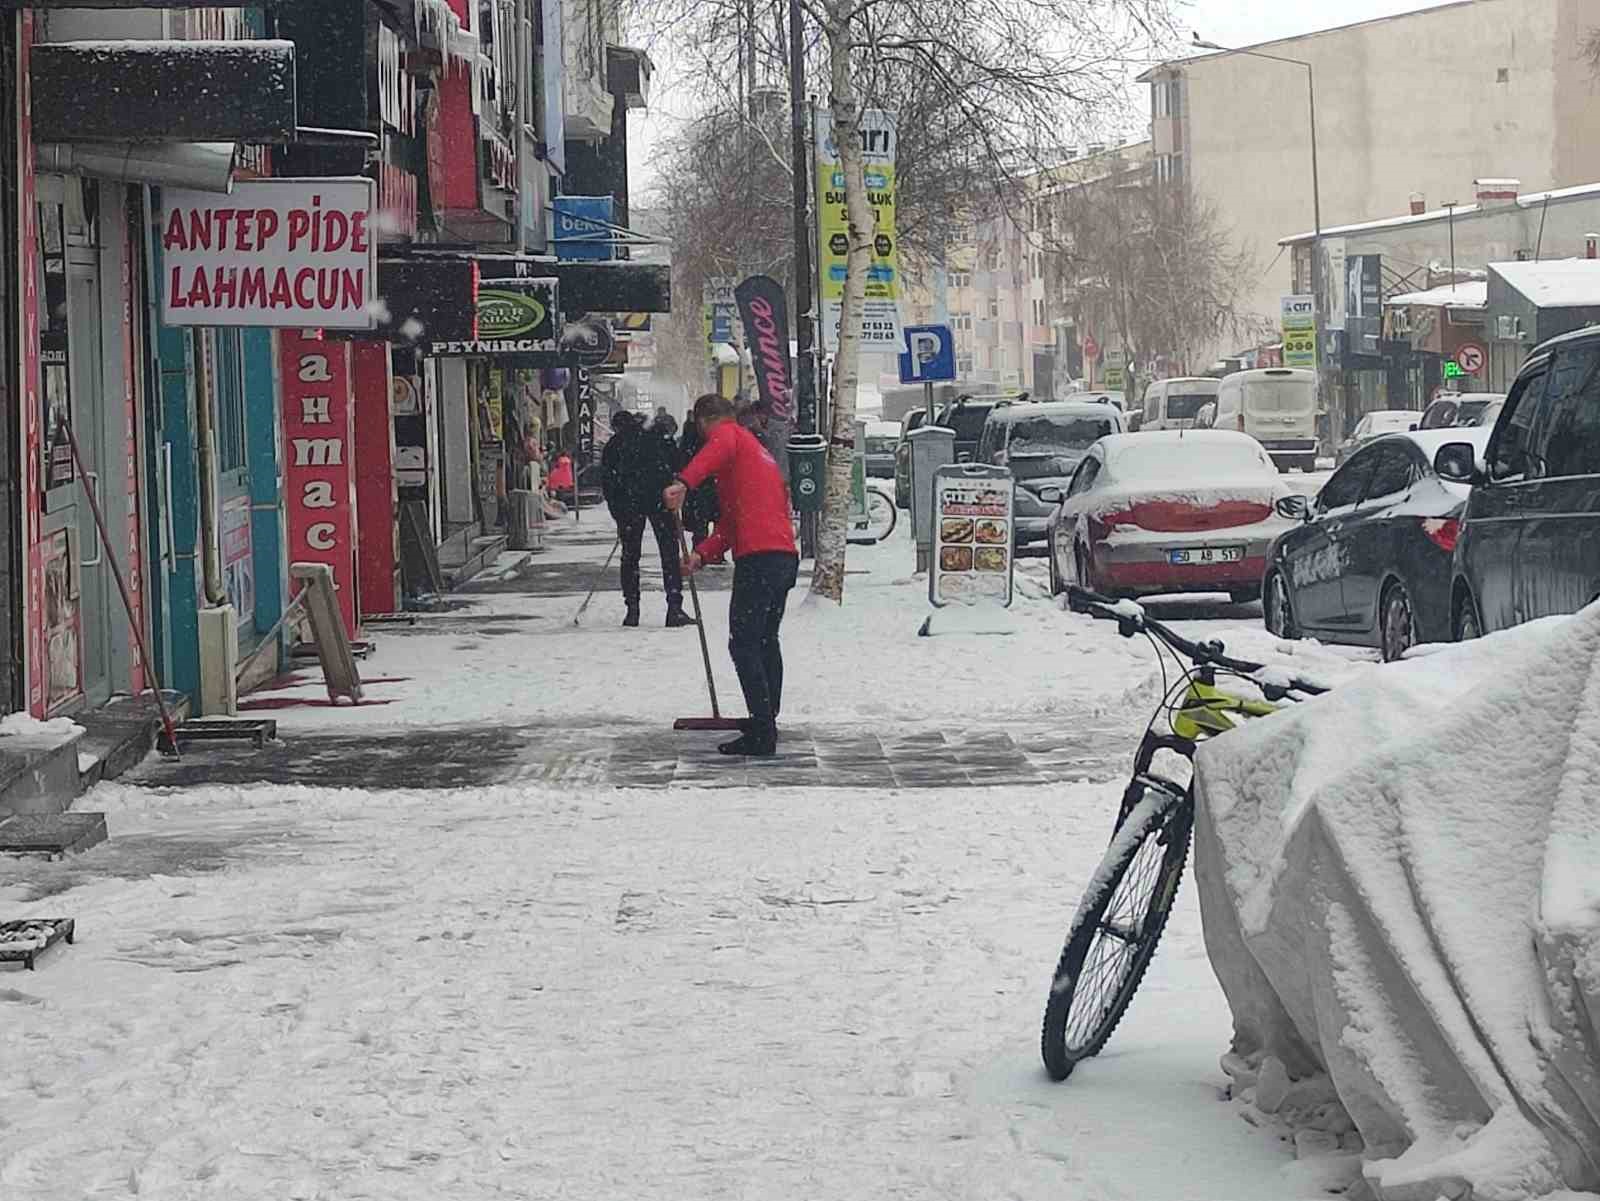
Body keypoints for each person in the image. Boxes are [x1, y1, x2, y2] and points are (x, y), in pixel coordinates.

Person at [664, 393, 799, 757]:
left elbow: (711, 454)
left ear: (705, 420)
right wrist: (700, 555)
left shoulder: (730, 435)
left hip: (760, 559)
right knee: (765, 640)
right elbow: (731, 524)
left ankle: (763, 731)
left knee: (744, 642)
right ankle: (766, 719)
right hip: (782, 556)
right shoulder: (755, 454)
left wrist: (683, 482)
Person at [601, 412, 695, 629]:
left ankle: (632, 610)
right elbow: (679, 467)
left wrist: (618, 513)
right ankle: (674, 607)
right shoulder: (659, 438)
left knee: (630, 556)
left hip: (629, 503)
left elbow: (608, 481)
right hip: (660, 499)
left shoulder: (616, 443)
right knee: (669, 553)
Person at [678, 415, 720, 550]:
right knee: (708, 520)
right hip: (707, 485)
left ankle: (701, 548)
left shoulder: (690, 443)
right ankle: (708, 550)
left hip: (698, 486)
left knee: (700, 522)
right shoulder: (709, 442)